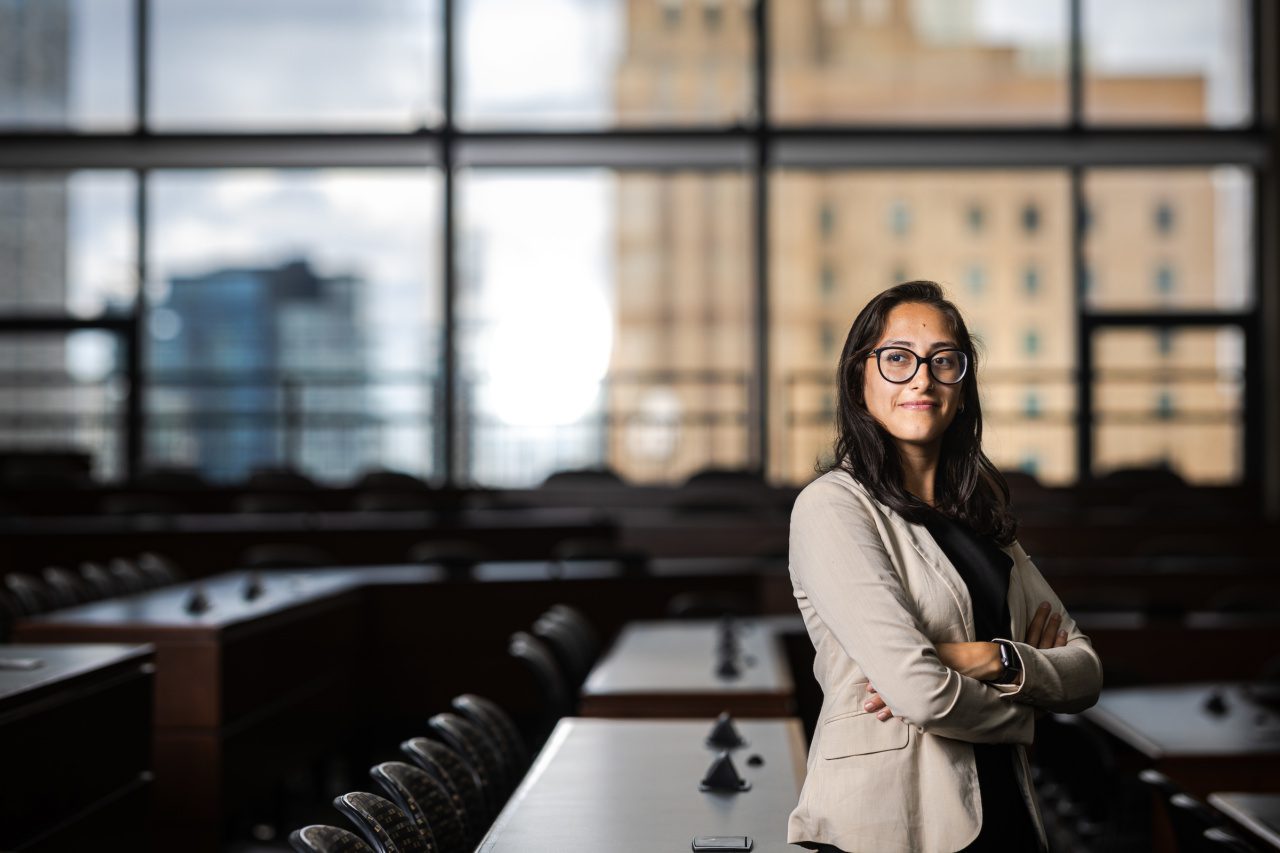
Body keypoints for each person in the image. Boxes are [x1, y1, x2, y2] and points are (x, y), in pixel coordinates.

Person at [786, 281, 1103, 853]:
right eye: (897, 358)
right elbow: (921, 694)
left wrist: (989, 657)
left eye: (944, 361)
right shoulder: (833, 507)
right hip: (892, 828)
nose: (921, 378)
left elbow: (1085, 670)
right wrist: (1029, 714)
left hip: (1010, 821)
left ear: (962, 387)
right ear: (859, 378)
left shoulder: (982, 520)